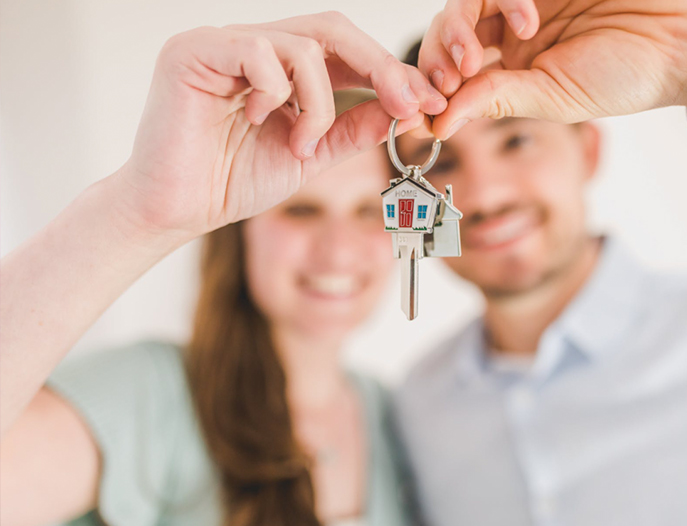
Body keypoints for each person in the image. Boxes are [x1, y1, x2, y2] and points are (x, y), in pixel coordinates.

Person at [0, 13, 448, 526]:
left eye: (369, 212)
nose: (339, 249)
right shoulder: (151, 394)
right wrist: (137, 212)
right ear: (241, 233)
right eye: (302, 211)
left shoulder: (394, 415)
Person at [392, 0, 687, 524]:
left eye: (517, 139)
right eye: (442, 162)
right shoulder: (416, 404)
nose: (482, 197)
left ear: (588, 151)